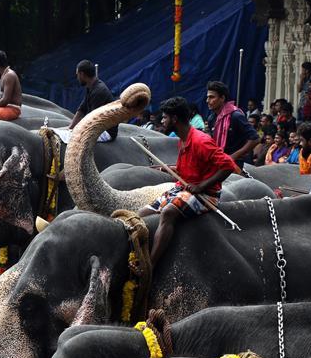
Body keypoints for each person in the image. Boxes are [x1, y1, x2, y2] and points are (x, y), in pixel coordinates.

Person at [140, 97, 239, 266]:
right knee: (142, 213)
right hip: (183, 189)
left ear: (175, 119)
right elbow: (185, 170)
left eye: (165, 117)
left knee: (169, 211)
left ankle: (151, 264)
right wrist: (164, 168)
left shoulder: (201, 141)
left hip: (206, 195)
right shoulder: (182, 139)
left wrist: (202, 186)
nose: (162, 121)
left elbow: (229, 166)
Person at [205, 80, 258, 167]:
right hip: (219, 161)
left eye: (211, 97)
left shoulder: (236, 116)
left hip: (236, 163)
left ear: (222, 98)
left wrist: (234, 156)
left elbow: (255, 139)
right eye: (207, 97)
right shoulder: (211, 118)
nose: (207, 100)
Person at [68, 60, 116, 141]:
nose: (77, 78)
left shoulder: (99, 91)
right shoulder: (90, 87)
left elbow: (91, 120)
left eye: (77, 75)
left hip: (106, 131)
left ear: (82, 74)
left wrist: (75, 131)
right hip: (96, 126)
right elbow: (81, 110)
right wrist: (70, 128)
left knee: (75, 139)